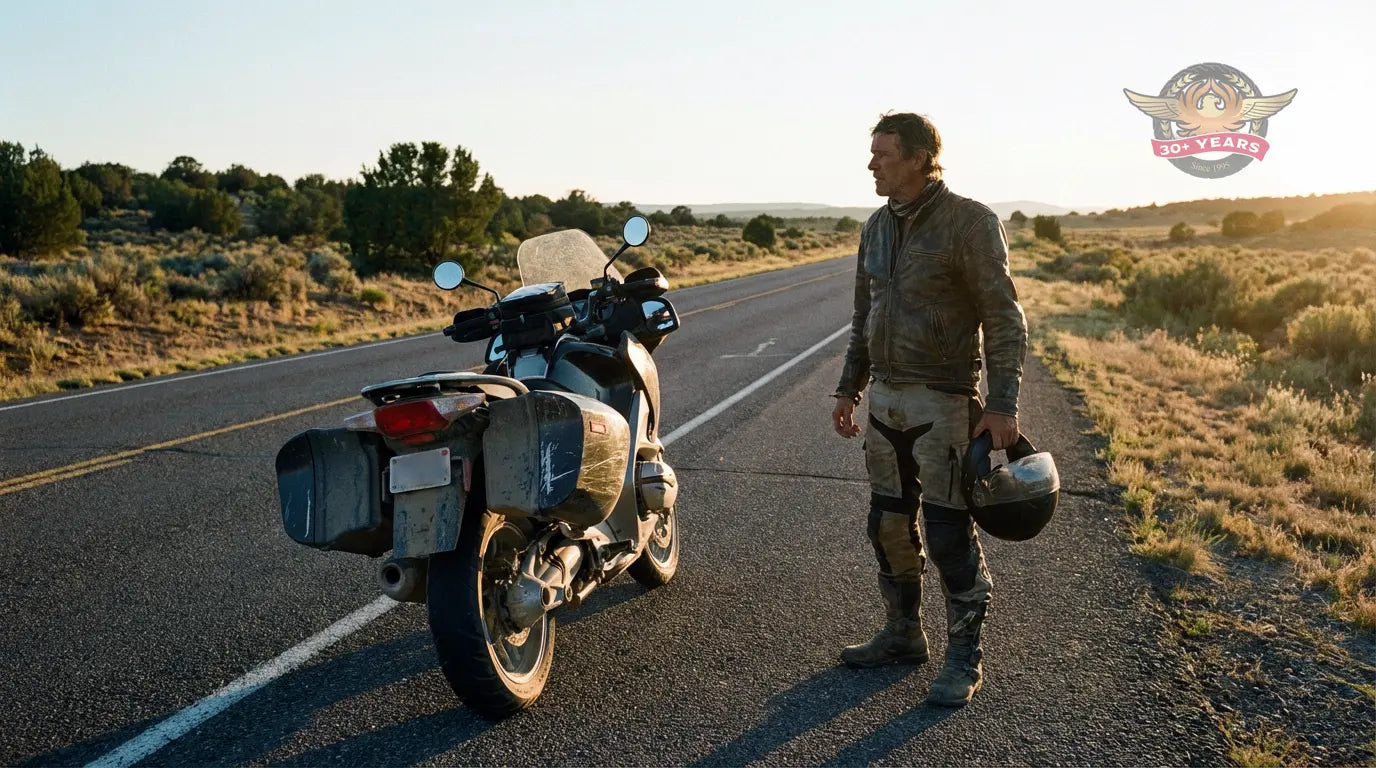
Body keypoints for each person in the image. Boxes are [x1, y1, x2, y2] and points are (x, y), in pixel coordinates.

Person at [831, 112, 1027, 708]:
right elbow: (864, 317)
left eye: (883, 154)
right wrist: (847, 389)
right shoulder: (875, 227)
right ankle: (902, 635)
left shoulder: (971, 222)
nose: (872, 164)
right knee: (886, 523)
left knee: (947, 534)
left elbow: (1003, 318)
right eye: (872, 153)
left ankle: (964, 658)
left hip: (943, 400)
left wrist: (1001, 405)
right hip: (887, 397)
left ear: (919, 158)